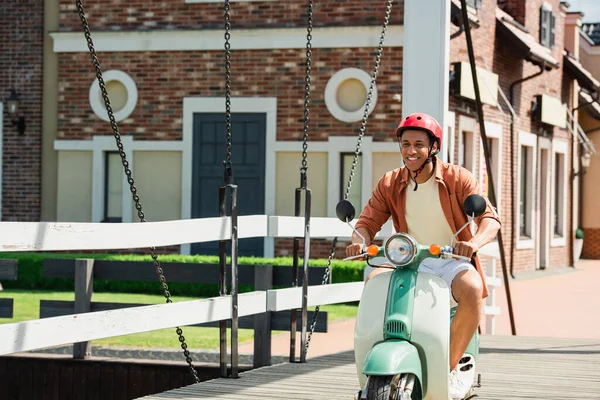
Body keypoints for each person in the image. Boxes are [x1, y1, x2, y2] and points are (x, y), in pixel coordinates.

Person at [345, 112, 501, 400]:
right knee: (374, 283)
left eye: (418, 144)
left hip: (451, 259)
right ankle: (376, 362)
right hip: (408, 258)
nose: (411, 151)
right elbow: (367, 223)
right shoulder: (391, 182)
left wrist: (474, 242)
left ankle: (449, 368)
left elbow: (490, 218)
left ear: (433, 147)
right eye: (405, 144)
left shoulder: (457, 178)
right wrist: (358, 241)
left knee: (473, 289)